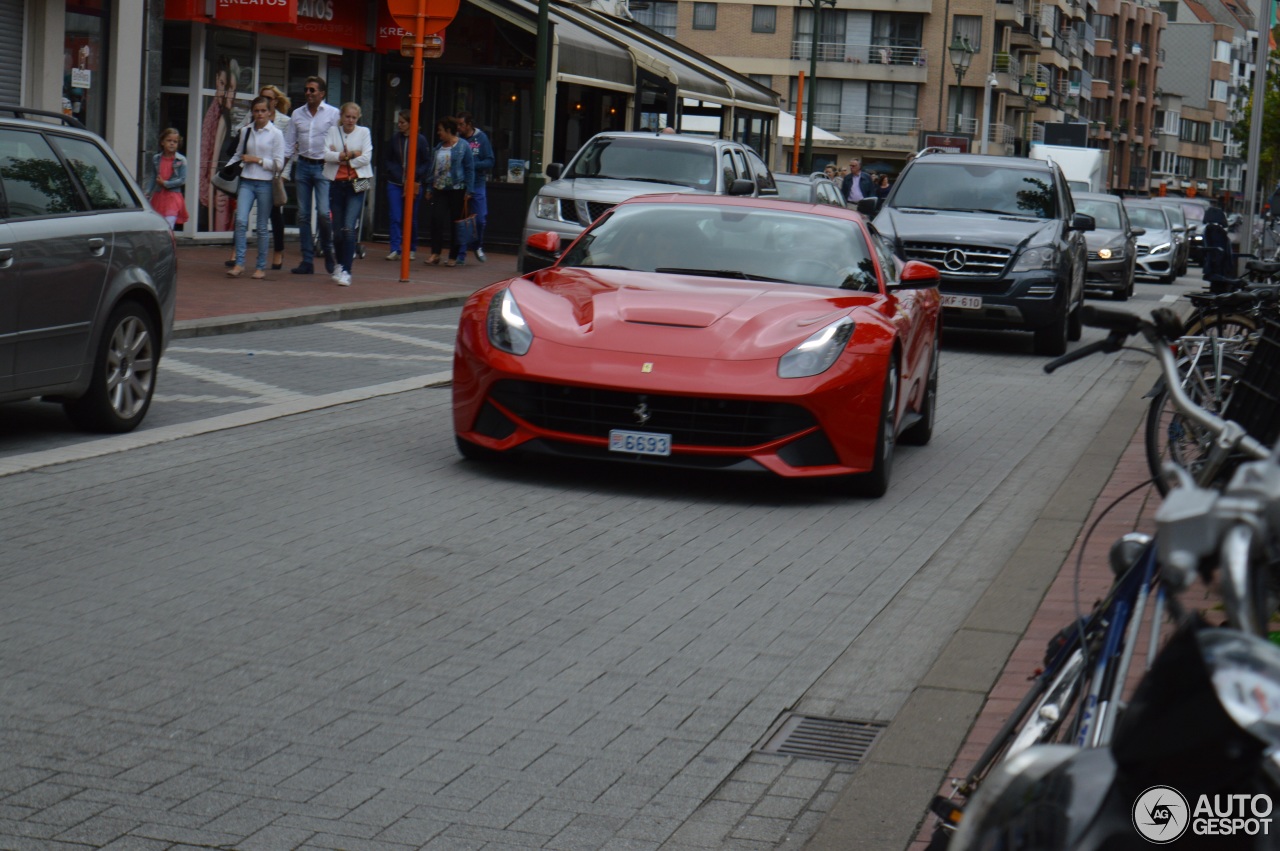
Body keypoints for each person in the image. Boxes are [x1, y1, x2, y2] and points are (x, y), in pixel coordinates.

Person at [284, 75, 341, 275]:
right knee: (303, 215)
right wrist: (281, 169)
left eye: (312, 90)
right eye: (306, 89)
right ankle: (307, 260)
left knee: (324, 214)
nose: (308, 93)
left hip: (323, 167)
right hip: (303, 166)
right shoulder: (297, 114)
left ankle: (327, 250)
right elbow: (289, 143)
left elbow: (341, 138)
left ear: (322, 93)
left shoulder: (333, 114)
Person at [226, 96, 284, 280]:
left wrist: (257, 160)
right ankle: (239, 263)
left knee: (261, 226)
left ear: (269, 112)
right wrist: (226, 171)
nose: (259, 114)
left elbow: (278, 164)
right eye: (256, 111)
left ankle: (260, 266)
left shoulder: (276, 133)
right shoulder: (246, 131)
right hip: (246, 180)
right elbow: (237, 154)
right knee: (241, 221)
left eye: (262, 111)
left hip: (266, 182)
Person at [323, 102, 373, 287]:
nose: (350, 120)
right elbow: (325, 154)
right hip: (337, 182)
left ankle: (347, 270)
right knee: (337, 229)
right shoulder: (332, 132)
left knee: (348, 226)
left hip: (359, 181)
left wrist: (347, 158)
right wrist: (347, 156)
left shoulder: (364, 132)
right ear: (341, 117)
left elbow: (366, 157)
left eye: (353, 117)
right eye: (347, 116)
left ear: (357, 118)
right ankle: (339, 264)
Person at [423, 116, 474, 267]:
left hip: (457, 189)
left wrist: (469, 190)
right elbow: (432, 170)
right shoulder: (438, 148)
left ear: (448, 130)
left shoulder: (463, 146)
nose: (438, 133)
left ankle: (453, 255)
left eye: (440, 130)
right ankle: (435, 253)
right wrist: (429, 187)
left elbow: (469, 169)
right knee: (436, 219)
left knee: (455, 223)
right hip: (439, 189)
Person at [199, 61, 241, 232]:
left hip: (226, 184)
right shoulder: (220, 117)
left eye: (231, 88)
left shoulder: (221, 116)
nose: (227, 94)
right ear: (216, 81)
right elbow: (211, 163)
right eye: (223, 85)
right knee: (221, 227)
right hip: (221, 185)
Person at [384, 108, 429, 261]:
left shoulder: (420, 140)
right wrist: (393, 171)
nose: (399, 125)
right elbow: (388, 158)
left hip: (413, 183)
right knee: (395, 216)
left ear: (411, 123)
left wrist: (416, 174)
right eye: (399, 122)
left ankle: (411, 247)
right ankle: (395, 248)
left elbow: (426, 161)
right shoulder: (395, 139)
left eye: (403, 122)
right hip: (395, 182)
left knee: (411, 217)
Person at [260, 84, 292, 269]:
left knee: (274, 211)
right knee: (242, 212)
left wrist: (283, 176)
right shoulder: (254, 116)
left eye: (269, 98)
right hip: (255, 170)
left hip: (276, 172)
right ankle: (235, 253)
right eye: (262, 97)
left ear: (276, 100)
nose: (265, 100)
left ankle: (278, 250)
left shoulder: (285, 122)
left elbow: (288, 150)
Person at [457, 112, 495, 263]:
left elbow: (490, 161)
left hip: (477, 184)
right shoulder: (457, 139)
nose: (459, 128)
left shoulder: (481, 138)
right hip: (460, 184)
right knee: (461, 219)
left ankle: (477, 245)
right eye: (457, 125)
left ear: (469, 124)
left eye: (461, 124)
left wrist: (472, 165)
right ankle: (461, 254)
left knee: (480, 219)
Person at [147, 128, 188, 230]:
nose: (172, 144)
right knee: (157, 225)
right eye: (169, 140)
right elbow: (153, 177)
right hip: (159, 196)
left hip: (173, 197)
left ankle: (169, 243)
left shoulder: (181, 160)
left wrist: (165, 183)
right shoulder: (156, 158)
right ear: (162, 142)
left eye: (175, 142)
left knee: (169, 225)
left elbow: (182, 180)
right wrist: (147, 192)